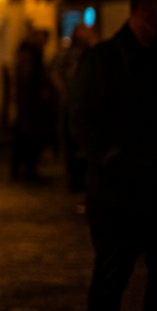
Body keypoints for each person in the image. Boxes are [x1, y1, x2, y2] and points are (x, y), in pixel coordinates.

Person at [70, 0, 157, 311]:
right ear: (142, 12)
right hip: (117, 196)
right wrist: (114, 161)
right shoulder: (105, 59)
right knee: (111, 281)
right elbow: (82, 121)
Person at [55, 24, 98, 194]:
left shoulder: (91, 54)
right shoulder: (68, 55)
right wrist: (64, 91)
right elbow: (55, 71)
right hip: (73, 102)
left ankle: (82, 173)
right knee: (71, 138)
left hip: (86, 103)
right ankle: (74, 175)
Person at [12, 27, 58, 181]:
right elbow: (27, 76)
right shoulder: (30, 53)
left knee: (26, 136)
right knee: (28, 136)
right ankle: (26, 169)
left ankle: (24, 168)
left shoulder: (30, 52)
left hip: (30, 100)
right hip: (30, 101)